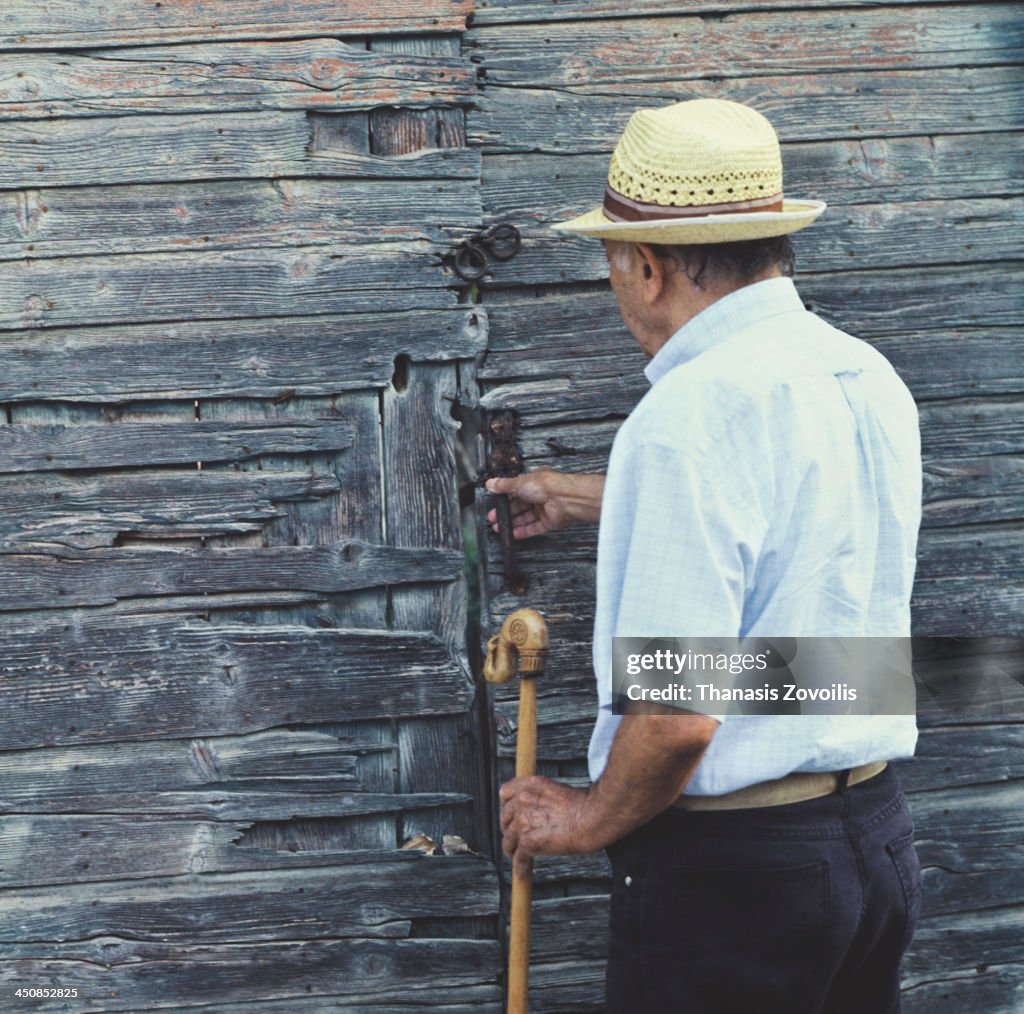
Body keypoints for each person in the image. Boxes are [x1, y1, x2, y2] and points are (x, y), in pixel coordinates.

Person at [488, 99, 923, 1013]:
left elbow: (681, 715)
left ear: (647, 267)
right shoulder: (860, 375)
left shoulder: (687, 418)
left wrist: (583, 819)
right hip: (871, 844)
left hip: (740, 880)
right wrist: (592, 498)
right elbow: (799, 557)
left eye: (612, 263)